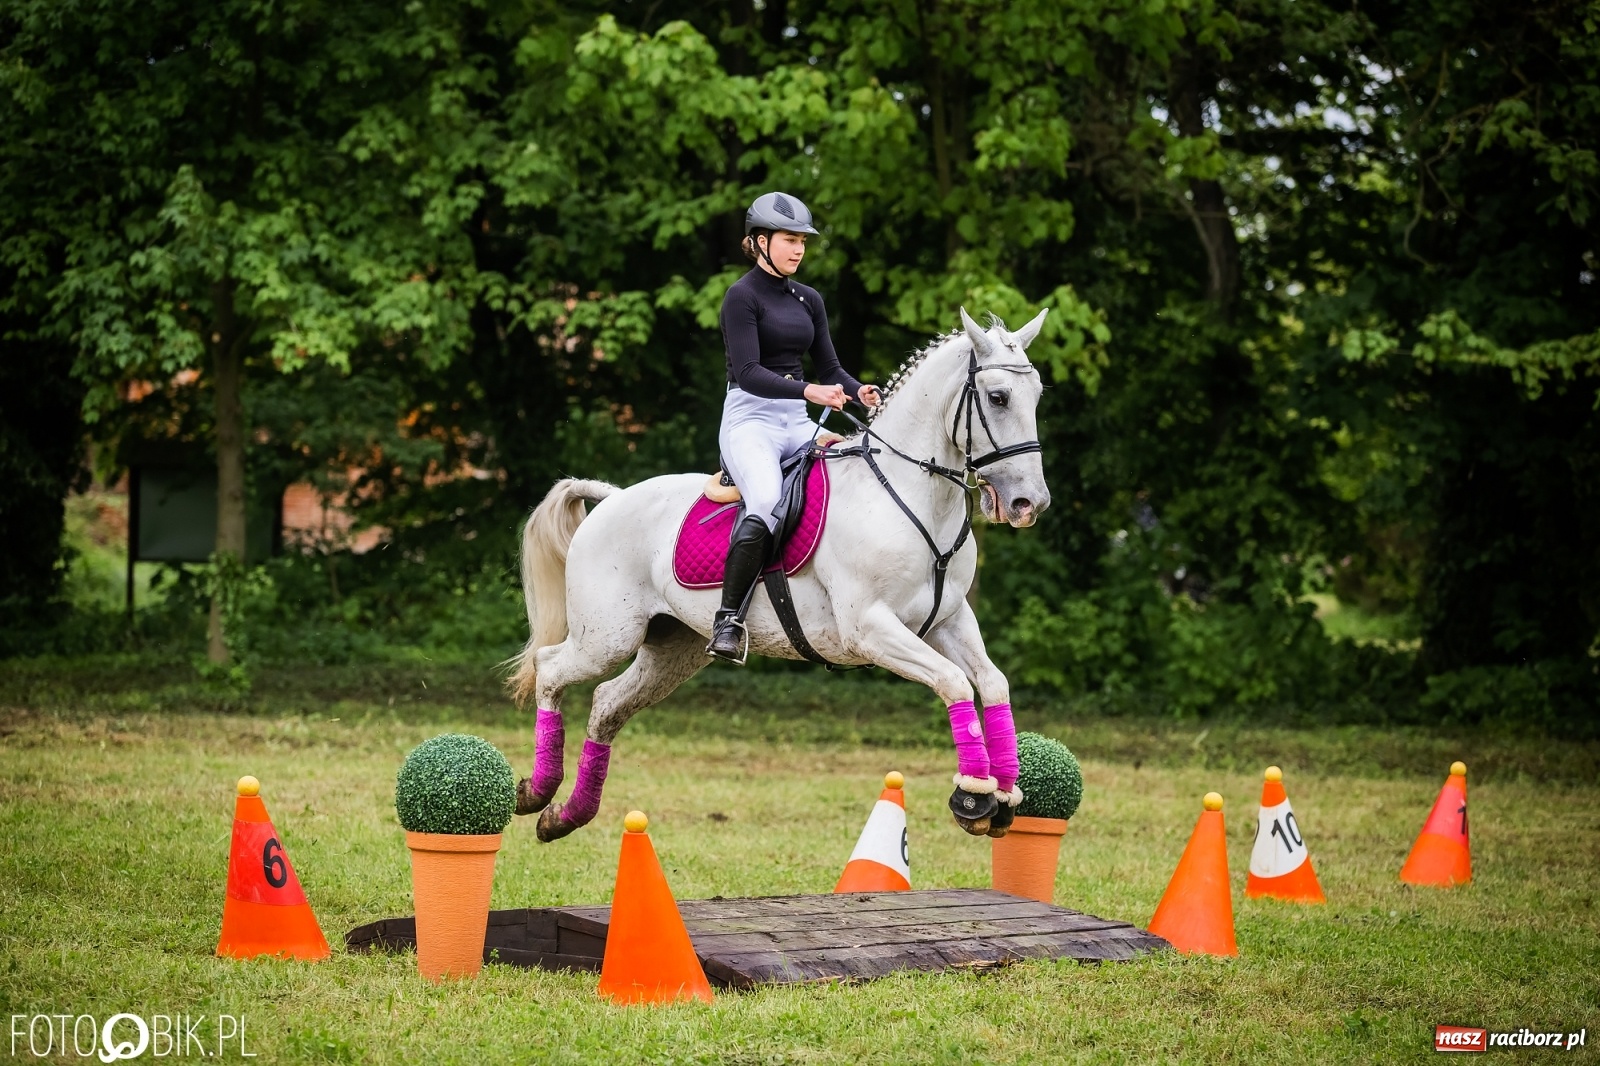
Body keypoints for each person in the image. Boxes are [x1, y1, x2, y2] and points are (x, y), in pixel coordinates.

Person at [707, 191, 882, 661]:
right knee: (764, 500)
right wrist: (808, 392)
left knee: (856, 469)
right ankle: (728, 620)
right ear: (759, 241)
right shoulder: (740, 297)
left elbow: (830, 368)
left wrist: (858, 389)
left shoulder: (809, 299)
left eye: (803, 240)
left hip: (795, 420)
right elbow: (747, 373)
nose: (799, 249)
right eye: (789, 239)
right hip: (751, 420)